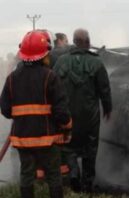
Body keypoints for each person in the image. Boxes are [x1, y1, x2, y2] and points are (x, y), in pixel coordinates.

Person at [0, 30, 72, 198]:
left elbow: (5, 109)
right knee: (54, 176)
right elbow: (61, 112)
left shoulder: (12, 78)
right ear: (44, 55)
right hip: (47, 140)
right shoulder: (50, 77)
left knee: (26, 176)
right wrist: (67, 129)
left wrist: (22, 117)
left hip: (22, 139)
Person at [53, 28, 112, 193]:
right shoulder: (97, 62)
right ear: (87, 42)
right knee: (90, 149)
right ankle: (87, 185)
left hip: (67, 116)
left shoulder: (61, 63)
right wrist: (108, 109)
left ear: (74, 42)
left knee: (69, 147)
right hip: (90, 117)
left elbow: (53, 89)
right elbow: (105, 90)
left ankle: (73, 173)